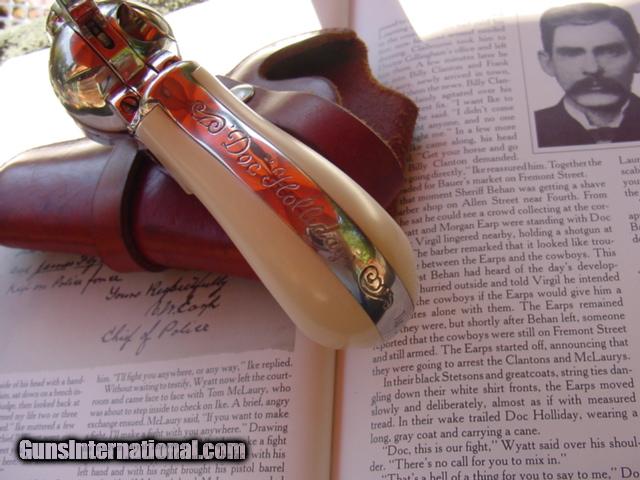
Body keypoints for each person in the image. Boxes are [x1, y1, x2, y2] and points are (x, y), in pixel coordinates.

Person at [535, 3, 640, 147]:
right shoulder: (534, 128)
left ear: (637, 58)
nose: (592, 68)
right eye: (572, 54)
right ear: (548, 63)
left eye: (610, 52)